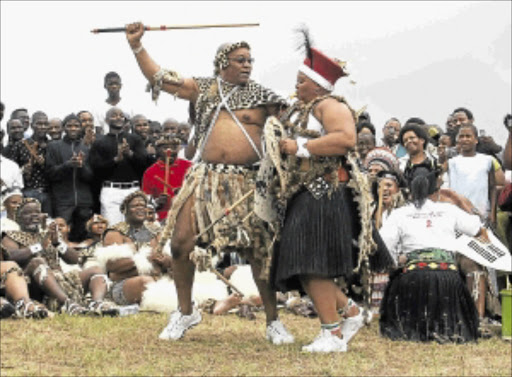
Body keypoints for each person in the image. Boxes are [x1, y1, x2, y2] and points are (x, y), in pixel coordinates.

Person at [124, 22, 294, 343]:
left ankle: (273, 321)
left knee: (258, 250)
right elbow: (159, 77)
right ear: (222, 64)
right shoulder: (203, 89)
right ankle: (185, 312)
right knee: (180, 244)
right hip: (205, 179)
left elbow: (291, 124)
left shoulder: (263, 97)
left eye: (250, 60)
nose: (247, 65)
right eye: (241, 60)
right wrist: (136, 46)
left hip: (247, 182)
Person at [271, 34, 375, 353]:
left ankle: (332, 334)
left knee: (310, 264)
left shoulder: (329, 104)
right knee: (303, 264)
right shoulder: (309, 108)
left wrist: (300, 146)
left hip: (323, 193)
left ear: (318, 85)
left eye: (302, 81)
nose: (297, 86)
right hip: (308, 194)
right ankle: (350, 313)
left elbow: (345, 139)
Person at [379, 166, 485, 343]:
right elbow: (476, 227)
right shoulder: (448, 210)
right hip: (448, 281)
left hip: (413, 279)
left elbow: (383, 247)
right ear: (434, 189)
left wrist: (397, 262)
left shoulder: (399, 214)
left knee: (398, 279)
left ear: (409, 188)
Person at [1, 198, 93, 315]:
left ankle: (96, 303)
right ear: (18, 218)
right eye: (28, 213)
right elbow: (10, 257)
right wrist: (39, 246)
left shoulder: (49, 235)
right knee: (37, 262)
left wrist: (57, 243)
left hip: (59, 278)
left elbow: (75, 259)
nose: (34, 216)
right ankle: (67, 304)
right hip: (30, 282)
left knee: (94, 270)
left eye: (37, 212)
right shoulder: (10, 236)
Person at [88, 107, 147, 225]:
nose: (118, 117)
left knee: (136, 228)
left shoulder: (135, 139)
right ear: (106, 120)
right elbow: (95, 168)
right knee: (112, 228)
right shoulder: (99, 142)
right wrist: (116, 159)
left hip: (133, 190)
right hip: (111, 191)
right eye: (114, 115)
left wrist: (129, 154)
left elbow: (144, 163)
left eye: (121, 115)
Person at [46, 114, 95, 242]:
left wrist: (81, 166)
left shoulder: (87, 148)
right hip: (62, 201)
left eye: (76, 126)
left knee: (84, 236)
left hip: (84, 201)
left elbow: (92, 177)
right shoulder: (53, 146)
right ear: (63, 128)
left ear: (80, 128)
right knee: (61, 236)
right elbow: (50, 173)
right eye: (70, 126)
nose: (73, 128)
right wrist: (68, 165)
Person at [141, 135, 192, 222]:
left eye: (174, 148)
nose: (170, 151)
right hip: (162, 218)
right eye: (165, 148)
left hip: (187, 216)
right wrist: (156, 202)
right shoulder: (150, 172)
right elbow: (145, 201)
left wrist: (185, 191)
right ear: (157, 150)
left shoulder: (189, 166)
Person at [11, 111, 52, 215]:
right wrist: (24, 169)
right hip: (28, 192)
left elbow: (57, 171)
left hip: (49, 194)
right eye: (39, 124)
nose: (42, 127)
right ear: (32, 125)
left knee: (47, 225)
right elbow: (12, 171)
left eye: (45, 124)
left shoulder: (53, 146)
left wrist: (44, 164)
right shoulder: (20, 145)